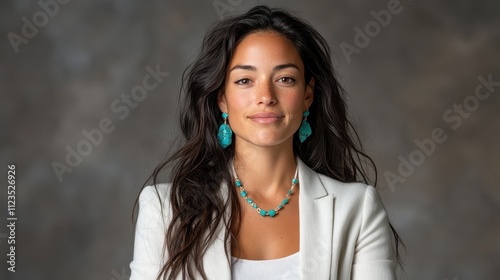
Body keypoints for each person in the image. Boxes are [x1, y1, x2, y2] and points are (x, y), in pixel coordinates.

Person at [130, 5, 403, 280]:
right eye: (245, 80)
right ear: (221, 98)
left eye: (285, 79)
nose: (266, 96)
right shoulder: (164, 208)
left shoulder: (357, 208)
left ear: (307, 95)